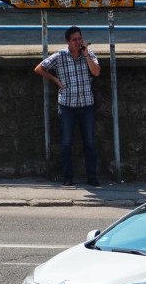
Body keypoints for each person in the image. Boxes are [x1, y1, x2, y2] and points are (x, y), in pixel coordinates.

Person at [35, 26, 101, 187]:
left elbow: (96, 72)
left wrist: (86, 55)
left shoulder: (89, 54)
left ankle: (92, 177)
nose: (78, 42)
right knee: (66, 143)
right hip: (67, 105)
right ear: (68, 41)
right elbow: (39, 68)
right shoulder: (60, 56)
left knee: (90, 143)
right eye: (75, 40)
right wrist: (55, 80)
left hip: (86, 104)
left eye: (80, 39)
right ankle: (68, 177)